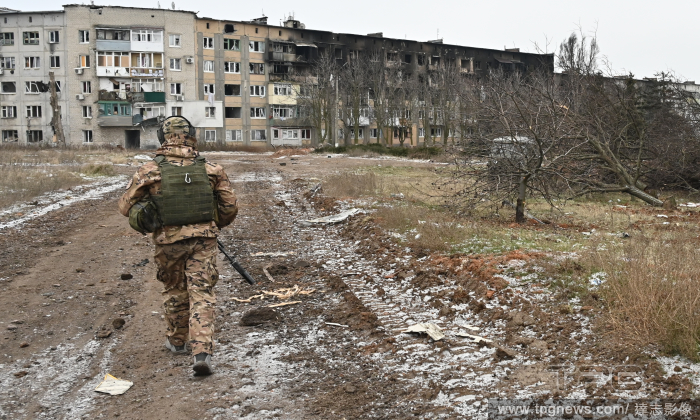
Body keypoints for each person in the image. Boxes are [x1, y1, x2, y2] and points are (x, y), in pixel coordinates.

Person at [118, 116, 238, 375]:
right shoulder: (212, 169)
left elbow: (125, 207)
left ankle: (176, 342)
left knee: (174, 289)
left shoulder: (149, 171)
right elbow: (229, 208)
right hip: (203, 240)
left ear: (162, 138)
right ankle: (201, 352)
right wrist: (211, 223)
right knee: (202, 293)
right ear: (192, 135)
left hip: (168, 242)